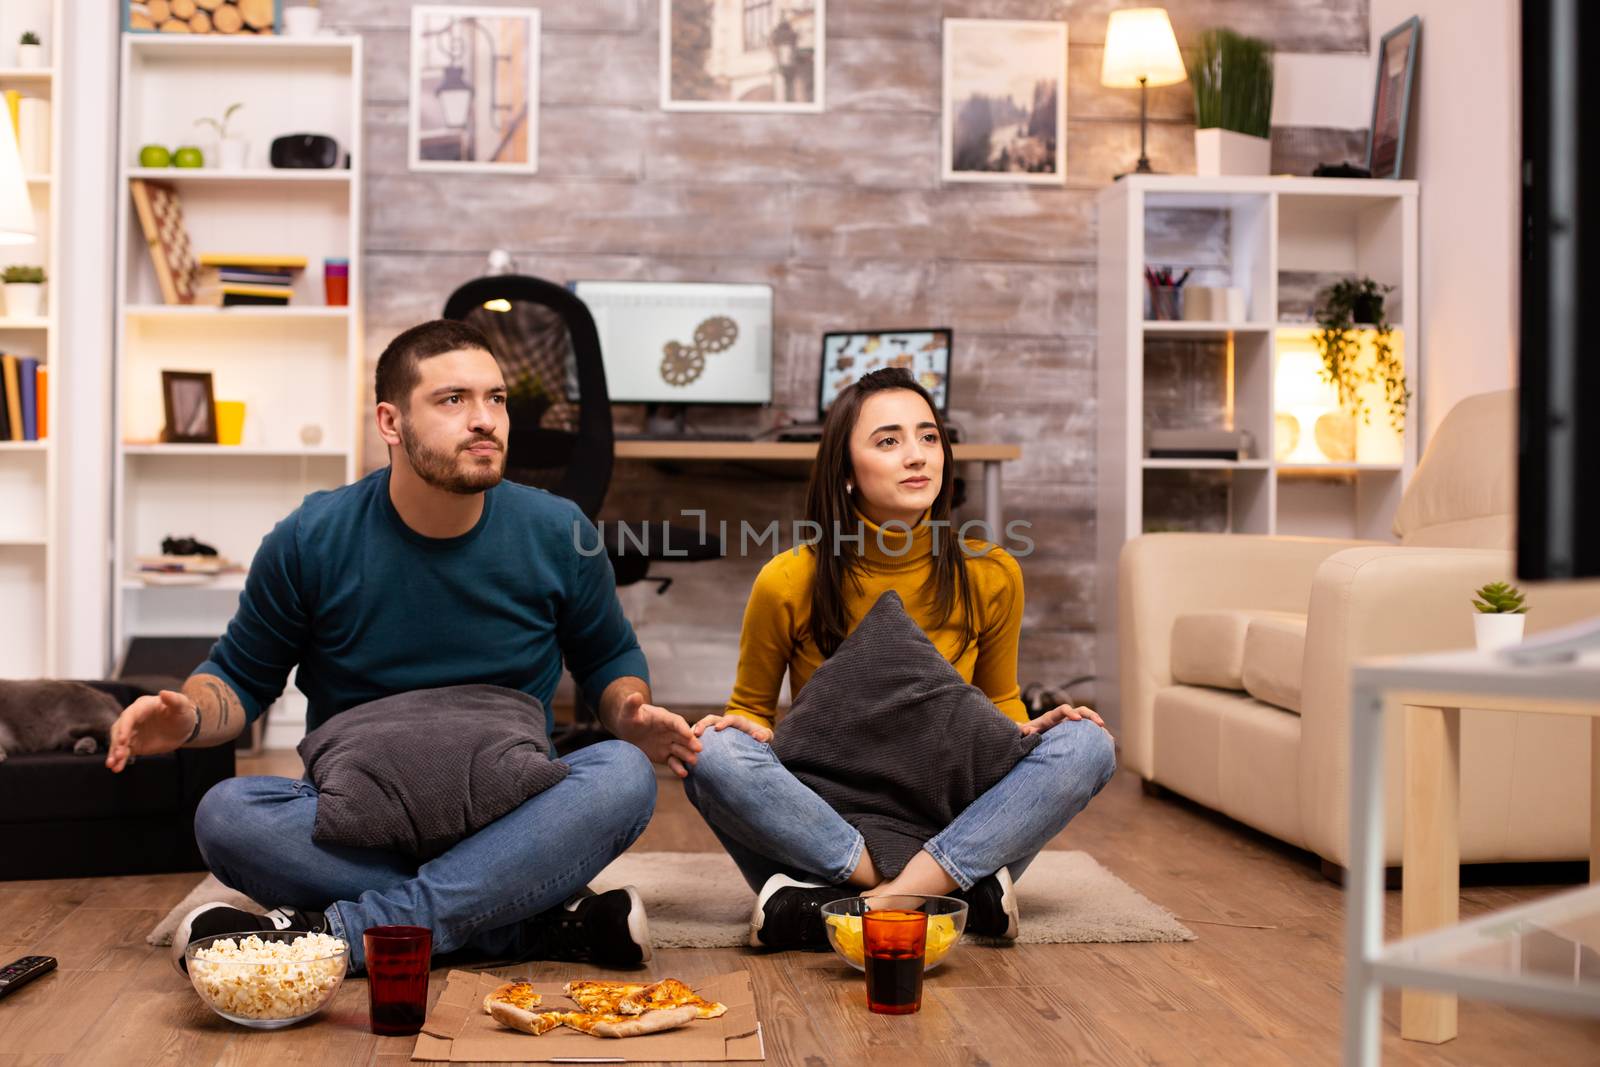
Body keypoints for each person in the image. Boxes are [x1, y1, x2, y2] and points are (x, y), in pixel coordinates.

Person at [105, 319, 702, 972]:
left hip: (510, 810)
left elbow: (608, 658)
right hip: (358, 822)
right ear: (391, 422)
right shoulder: (310, 538)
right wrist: (188, 715)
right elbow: (240, 676)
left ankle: (339, 931)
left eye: (496, 398)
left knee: (623, 776)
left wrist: (631, 710)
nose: (485, 419)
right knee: (226, 814)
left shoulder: (558, 530)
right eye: (454, 400)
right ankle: (521, 917)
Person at [684, 368, 1116, 949]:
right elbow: (752, 713)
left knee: (1088, 742)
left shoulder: (992, 573)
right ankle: (946, 896)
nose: (916, 456)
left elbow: (999, 700)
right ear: (845, 472)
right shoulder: (787, 579)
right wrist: (732, 734)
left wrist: (1029, 731)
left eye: (928, 436)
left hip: (946, 811)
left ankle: (864, 907)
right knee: (707, 751)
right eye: (888, 441)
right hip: (830, 823)